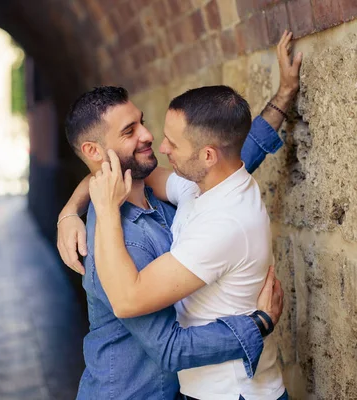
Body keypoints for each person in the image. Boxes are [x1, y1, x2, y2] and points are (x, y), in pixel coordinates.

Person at [58, 31, 301, 400]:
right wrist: (259, 324)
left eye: (141, 121)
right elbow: (169, 347)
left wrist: (283, 97)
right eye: (130, 131)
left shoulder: (177, 197)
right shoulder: (114, 239)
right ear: (94, 149)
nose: (151, 136)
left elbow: (231, 160)